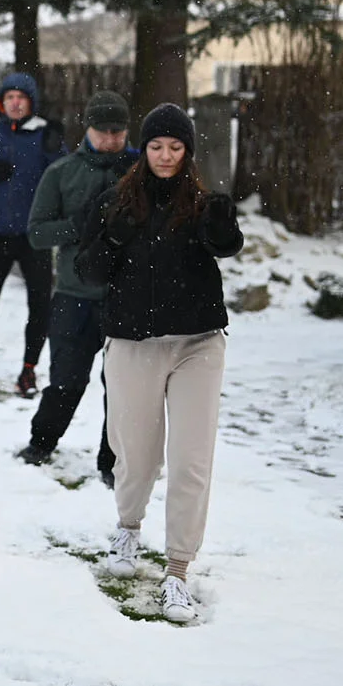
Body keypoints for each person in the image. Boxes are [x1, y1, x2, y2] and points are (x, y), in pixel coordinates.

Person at [75, 103, 243, 624]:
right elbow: (86, 271)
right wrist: (113, 237)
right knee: (136, 454)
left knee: (191, 459)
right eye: (156, 146)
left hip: (198, 343)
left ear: (187, 151)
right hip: (132, 341)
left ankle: (177, 571)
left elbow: (228, 246)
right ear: (142, 150)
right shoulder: (113, 202)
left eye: (175, 147)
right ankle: (128, 529)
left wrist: (221, 229)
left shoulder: (204, 204)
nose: (166, 156)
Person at [16, 90, 136, 479]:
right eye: (103, 131)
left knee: (121, 392)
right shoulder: (62, 173)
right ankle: (42, 442)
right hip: (73, 296)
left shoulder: (139, 172)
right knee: (66, 381)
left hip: (124, 297)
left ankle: (111, 462)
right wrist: (77, 226)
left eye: (119, 132)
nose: (111, 139)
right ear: (87, 128)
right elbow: (36, 234)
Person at [0, 71, 65, 394]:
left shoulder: (45, 136)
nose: (15, 103)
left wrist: (56, 146)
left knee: (40, 306)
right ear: (2, 104)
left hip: (34, 235)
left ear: (31, 102)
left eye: (21, 98)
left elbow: (65, 176)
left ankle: (29, 369)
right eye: (9, 98)